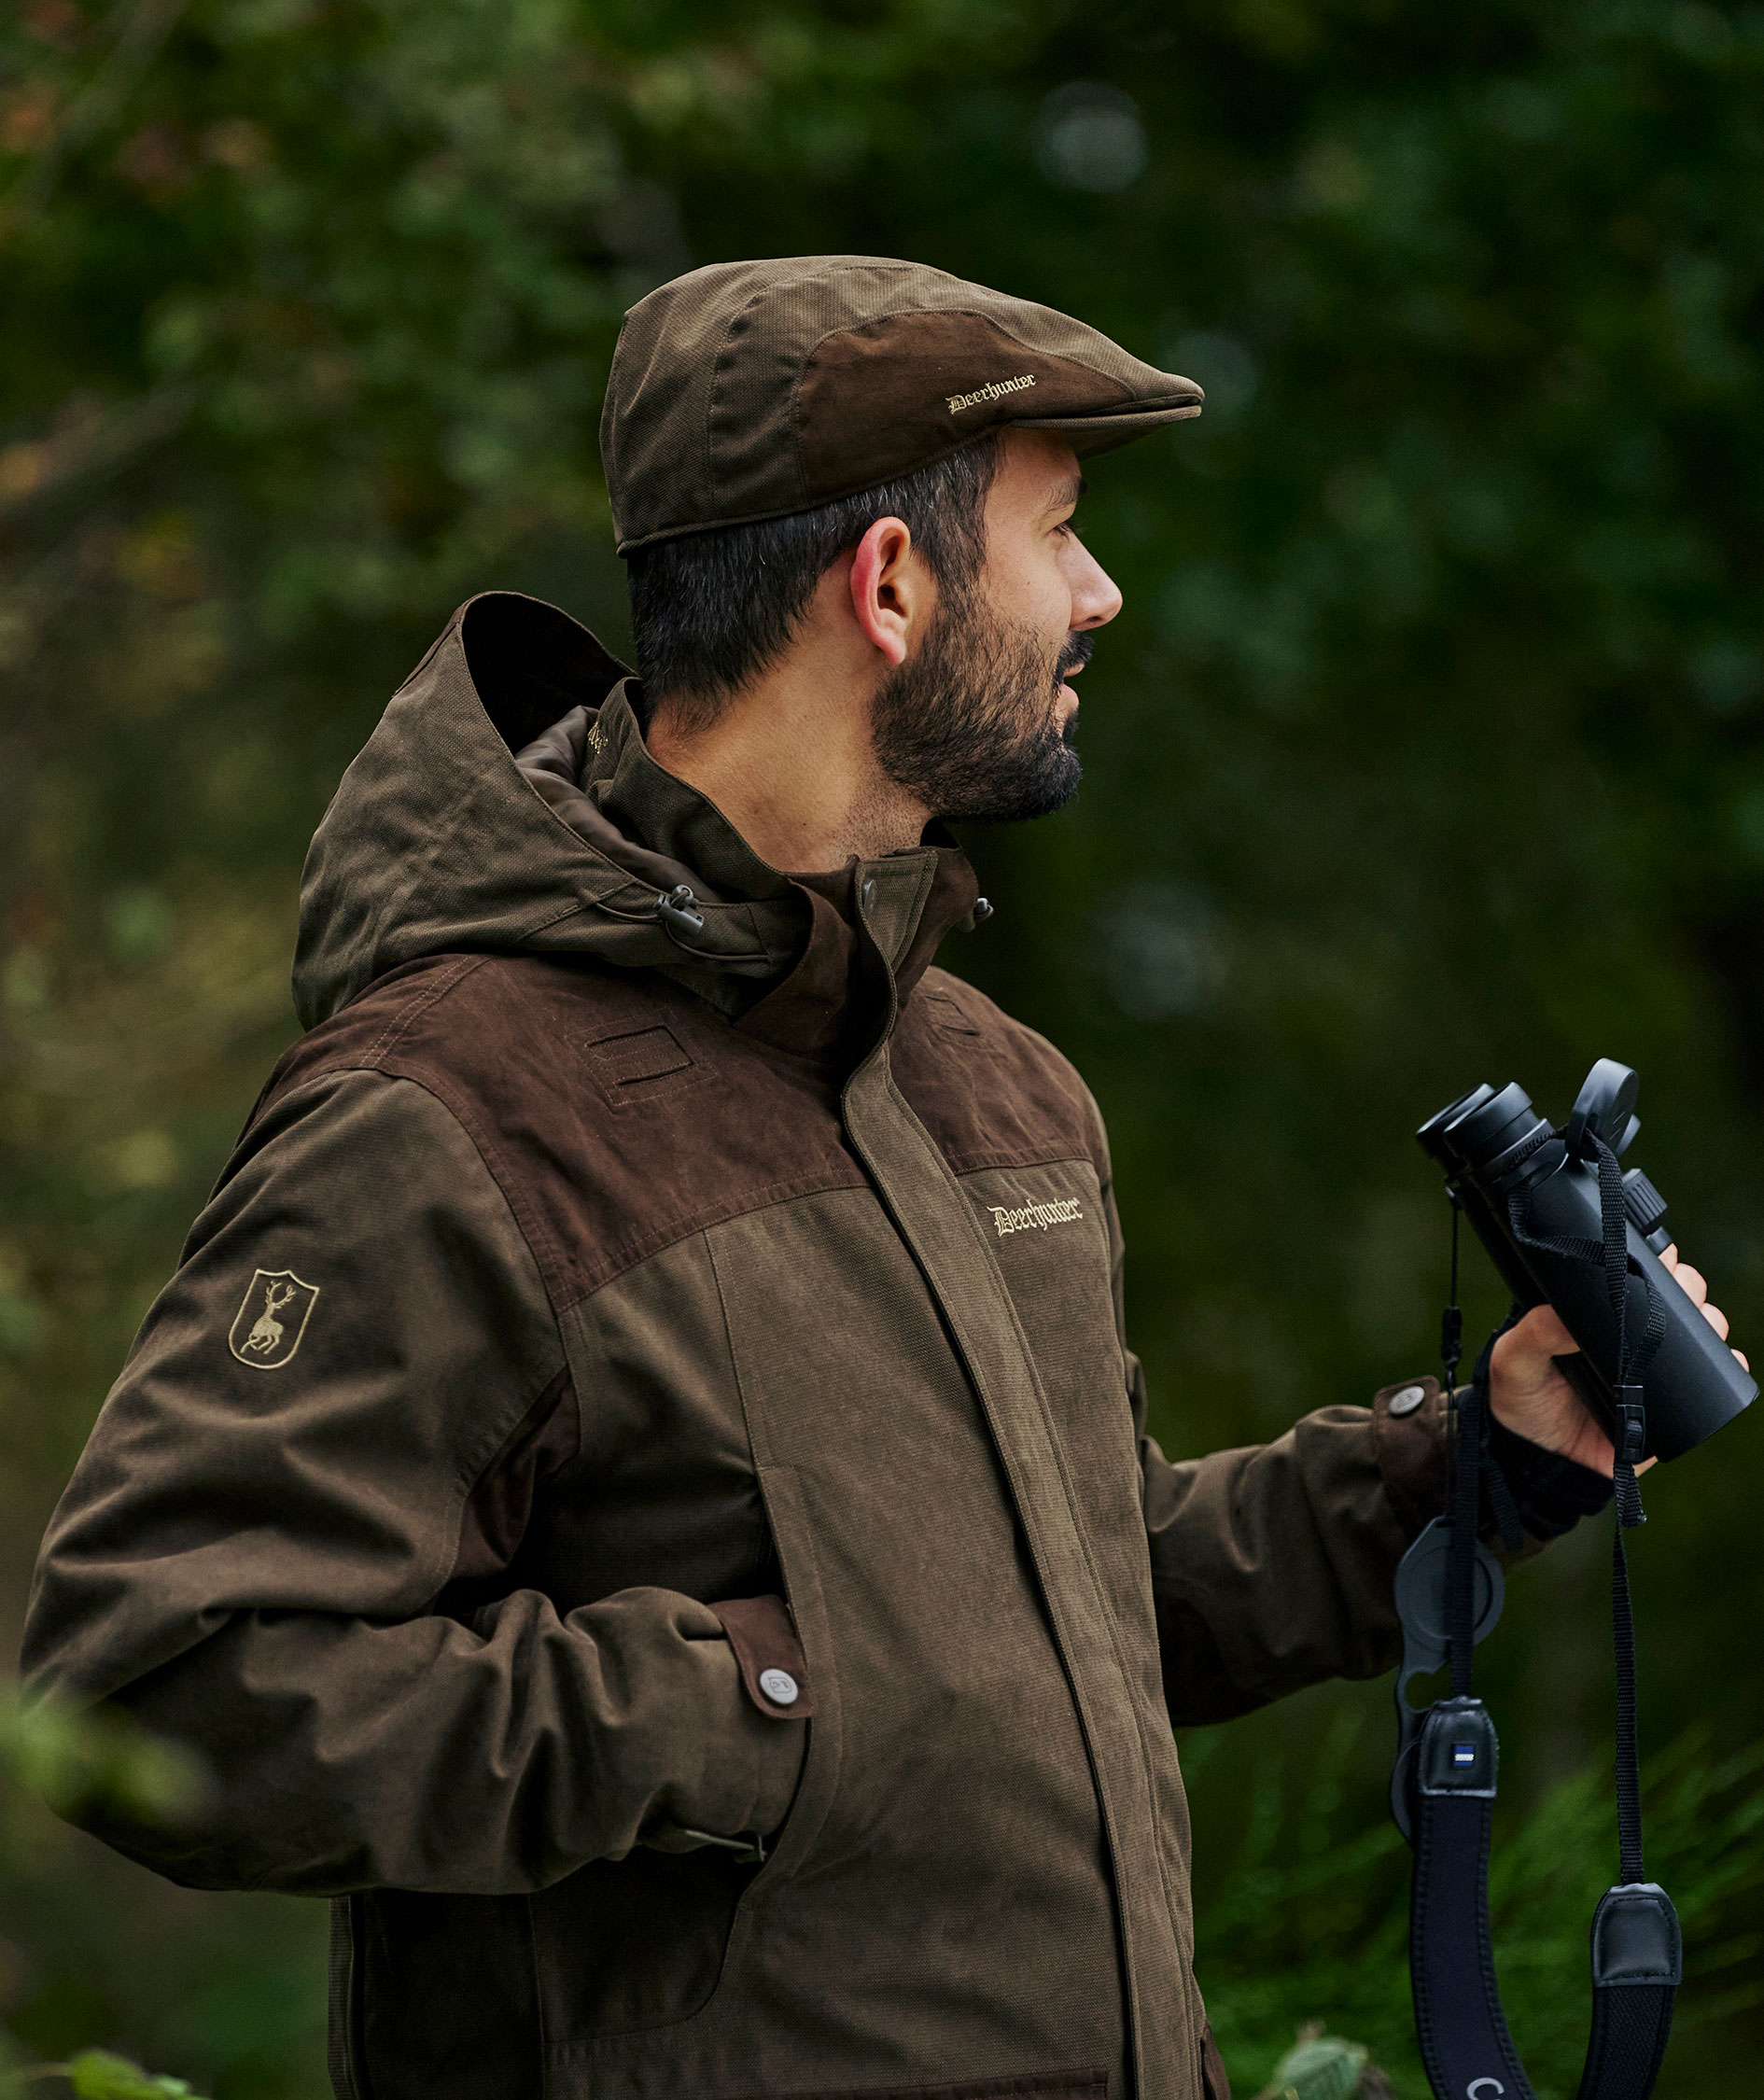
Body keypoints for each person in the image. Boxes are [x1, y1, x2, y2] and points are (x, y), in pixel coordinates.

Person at [20, 258, 1740, 2100]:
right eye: (1060, 534)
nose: (1101, 595)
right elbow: (157, 1677)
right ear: (893, 588)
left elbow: (1074, 1600)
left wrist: (1459, 1470)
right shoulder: (447, 1108)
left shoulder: (993, 1089)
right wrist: (752, 1714)